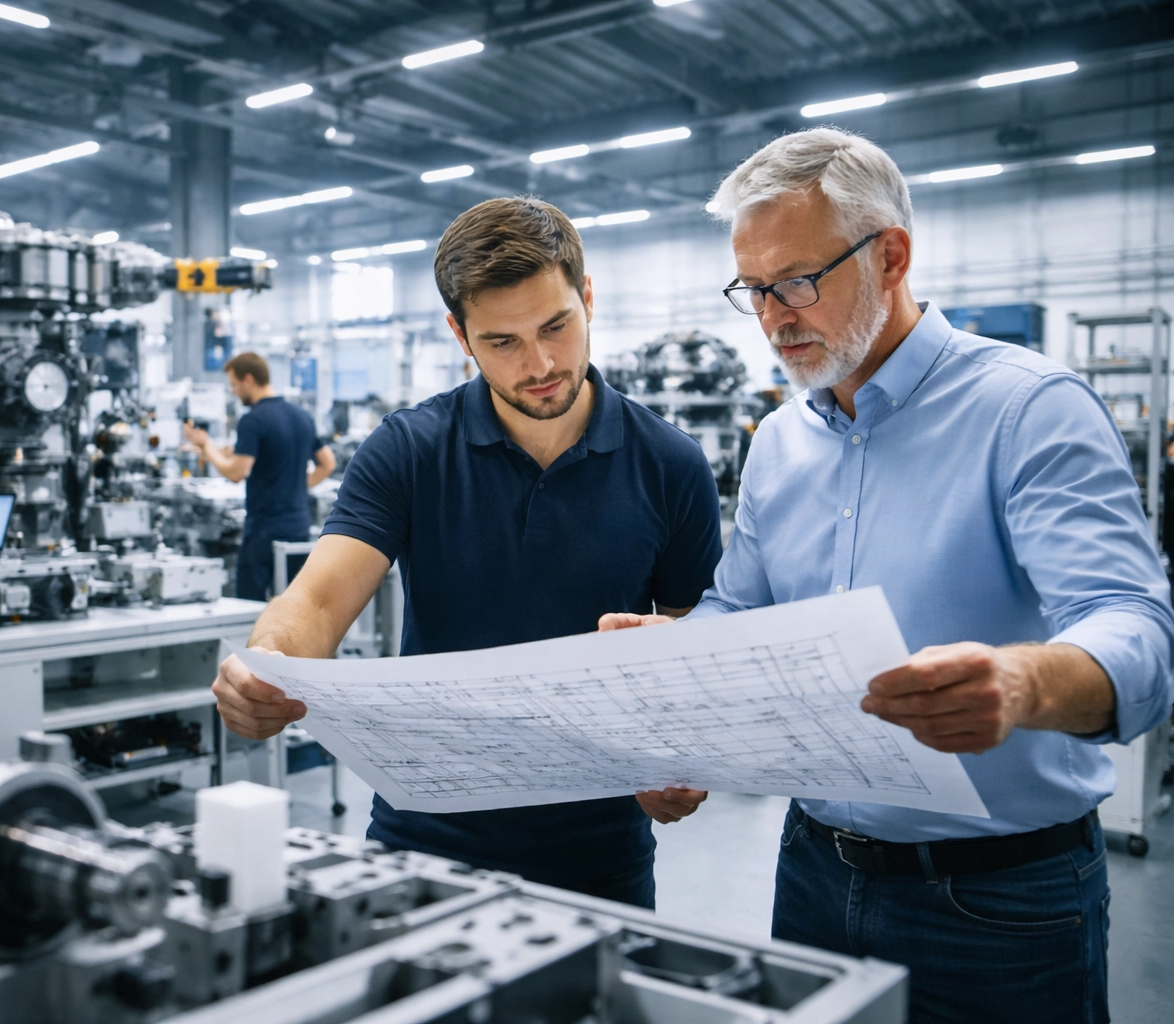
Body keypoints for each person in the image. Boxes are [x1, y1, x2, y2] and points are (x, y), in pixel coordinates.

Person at [605, 128, 1173, 1020]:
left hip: (999, 900)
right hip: (812, 873)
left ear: (891, 256)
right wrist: (679, 680)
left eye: (795, 280)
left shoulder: (1027, 410)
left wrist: (1022, 682)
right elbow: (740, 610)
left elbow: (1134, 626)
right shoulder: (780, 443)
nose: (772, 317)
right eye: (752, 290)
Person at [209, 197, 723, 908]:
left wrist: (682, 754)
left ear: (589, 299)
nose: (540, 364)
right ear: (460, 334)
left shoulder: (670, 462)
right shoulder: (411, 448)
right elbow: (320, 598)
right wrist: (267, 663)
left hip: (600, 856)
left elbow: (696, 643)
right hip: (423, 845)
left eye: (556, 326)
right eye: (503, 341)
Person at [183, 352, 335, 601]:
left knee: (250, 608)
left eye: (233, 384)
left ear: (249, 380)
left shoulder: (253, 420)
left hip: (264, 533)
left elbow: (236, 472)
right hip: (298, 530)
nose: (233, 391)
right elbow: (327, 464)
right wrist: (295, 487)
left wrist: (206, 446)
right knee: (295, 607)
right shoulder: (301, 416)